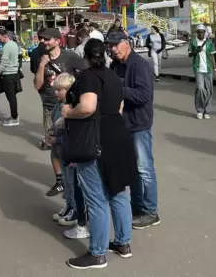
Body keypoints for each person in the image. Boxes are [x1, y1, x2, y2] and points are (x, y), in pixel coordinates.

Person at [63, 39, 136, 270]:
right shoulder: (114, 75)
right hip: (118, 134)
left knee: (96, 198)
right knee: (118, 192)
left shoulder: (87, 77)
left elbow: (88, 106)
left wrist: (68, 112)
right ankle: (123, 243)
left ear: (85, 55)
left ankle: (97, 254)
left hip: (96, 138)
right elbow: (120, 106)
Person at [108, 30, 159, 230]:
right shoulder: (115, 65)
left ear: (126, 43)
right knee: (133, 169)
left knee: (145, 169)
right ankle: (136, 207)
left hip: (139, 123)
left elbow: (143, 95)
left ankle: (150, 211)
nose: (112, 49)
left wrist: (118, 87)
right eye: (110, 46)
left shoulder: (139, 65)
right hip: (122, 124)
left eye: (115, 45)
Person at [34, 27, 87, 196]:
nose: (44, 42)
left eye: (47, 39)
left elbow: (85, 74)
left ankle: (73, 180)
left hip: (68, 106)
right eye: (42, 39)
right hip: (49, 106)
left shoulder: (70, 57)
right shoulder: (39, 57)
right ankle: (60, 181)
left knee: (68, 143)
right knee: (53, 144)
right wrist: (42, 65)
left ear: (57, 41)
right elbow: (37, 85)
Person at [49, 73, 81, 227]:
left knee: (72, 182)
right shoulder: (58, 106)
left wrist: (57, 139)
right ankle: (69, 206)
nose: (56, 93)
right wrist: (50, 133)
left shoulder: (71, 108)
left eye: (59, 90)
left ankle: (75, 210)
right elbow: (55, 125)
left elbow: (72, 132)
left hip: (69, 150)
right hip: (61, 151)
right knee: (67, 183)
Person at [189, 24, 216, 120]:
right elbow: (190, 54)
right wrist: (196, 51)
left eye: (203, 32)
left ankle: (206, 111)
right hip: (198, 69)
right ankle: (199, 110)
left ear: (205, 33)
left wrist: (215, 69)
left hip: (208, 69)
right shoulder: (193, 42)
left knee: (209, 90)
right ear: (196, 33)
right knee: (200, 88)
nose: (201, 34)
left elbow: (212, 56)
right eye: (199, 32)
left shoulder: (209, 43)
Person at [0, 29, 21, 126]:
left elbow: (4, 61)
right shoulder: (14, 44)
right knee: (13, 97)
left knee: (11, 97)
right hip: (14, 73)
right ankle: (14, 116)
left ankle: (14, 117)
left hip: (8, 74)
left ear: (4, 36)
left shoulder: (6, 47)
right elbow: (17, 59)